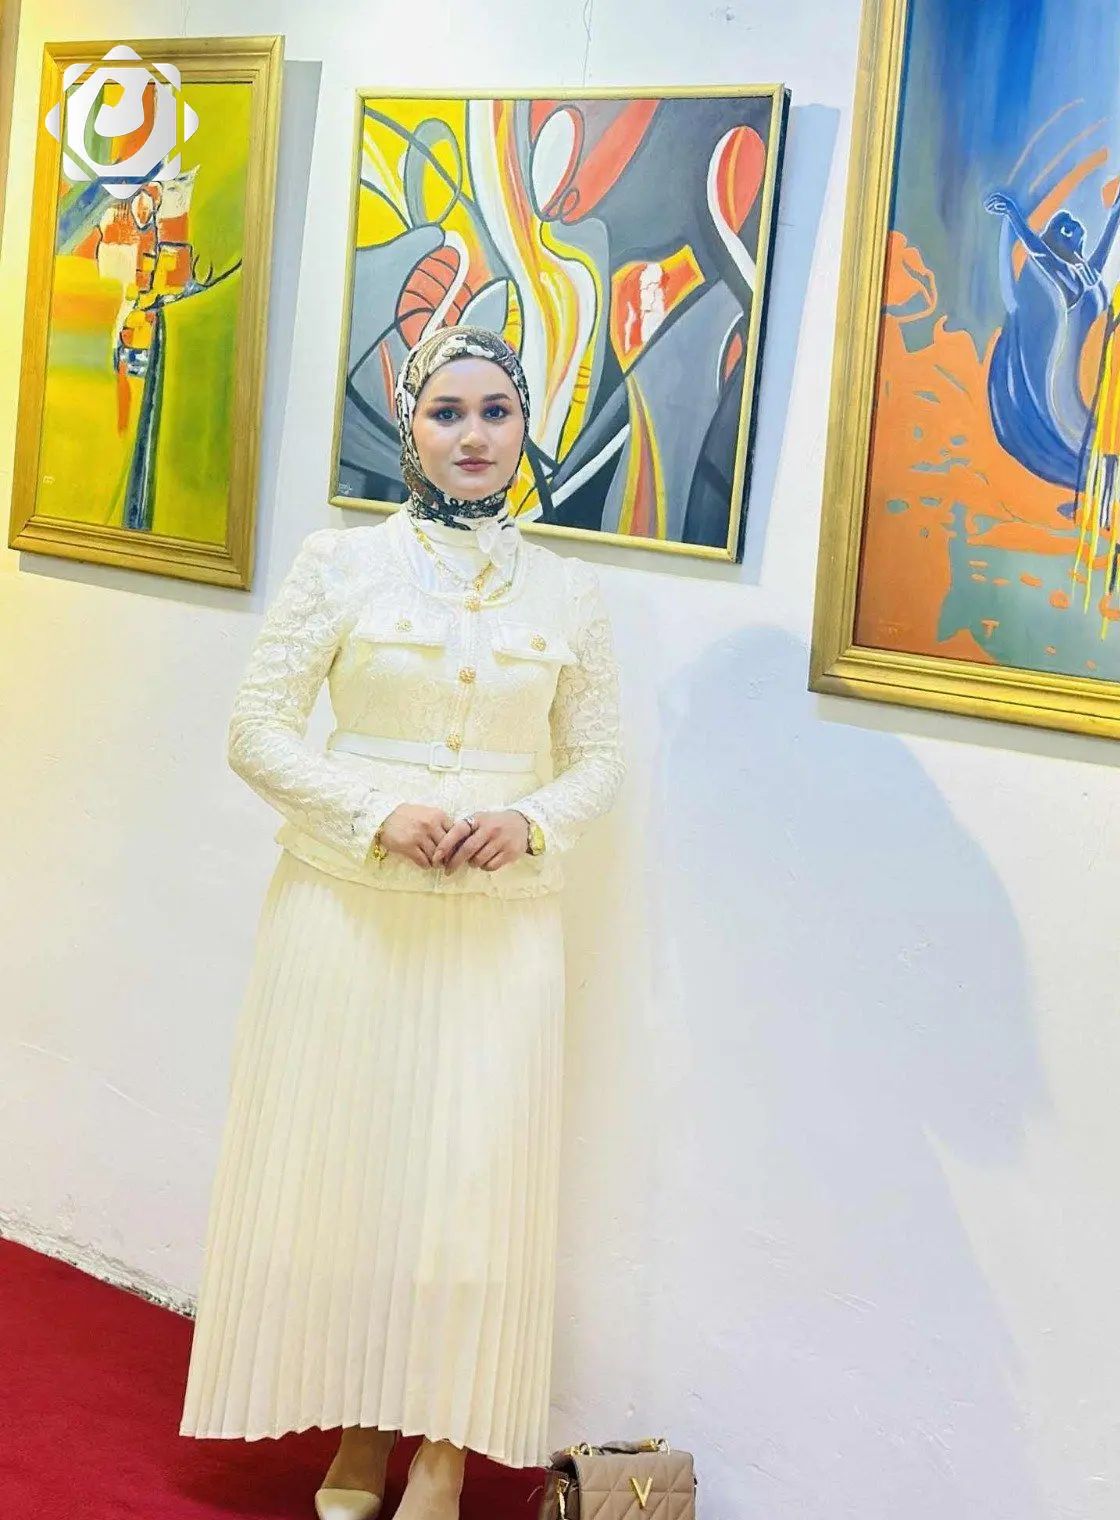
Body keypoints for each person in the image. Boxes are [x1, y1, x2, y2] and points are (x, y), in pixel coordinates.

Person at [179, 325, 625, 1520]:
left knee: (472, 1184)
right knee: (361, 1172)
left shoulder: (570, 590)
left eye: (496, 411)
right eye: (446, 412)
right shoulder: (340, 563)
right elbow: (255, 730)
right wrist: (373, 809)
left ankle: (442, 1449)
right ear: (408, 424)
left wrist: (530, 821)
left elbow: (597, 758)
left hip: (499, 927)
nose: (473, 435)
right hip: (346, 911)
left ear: (524, 425)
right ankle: (362, 1427)